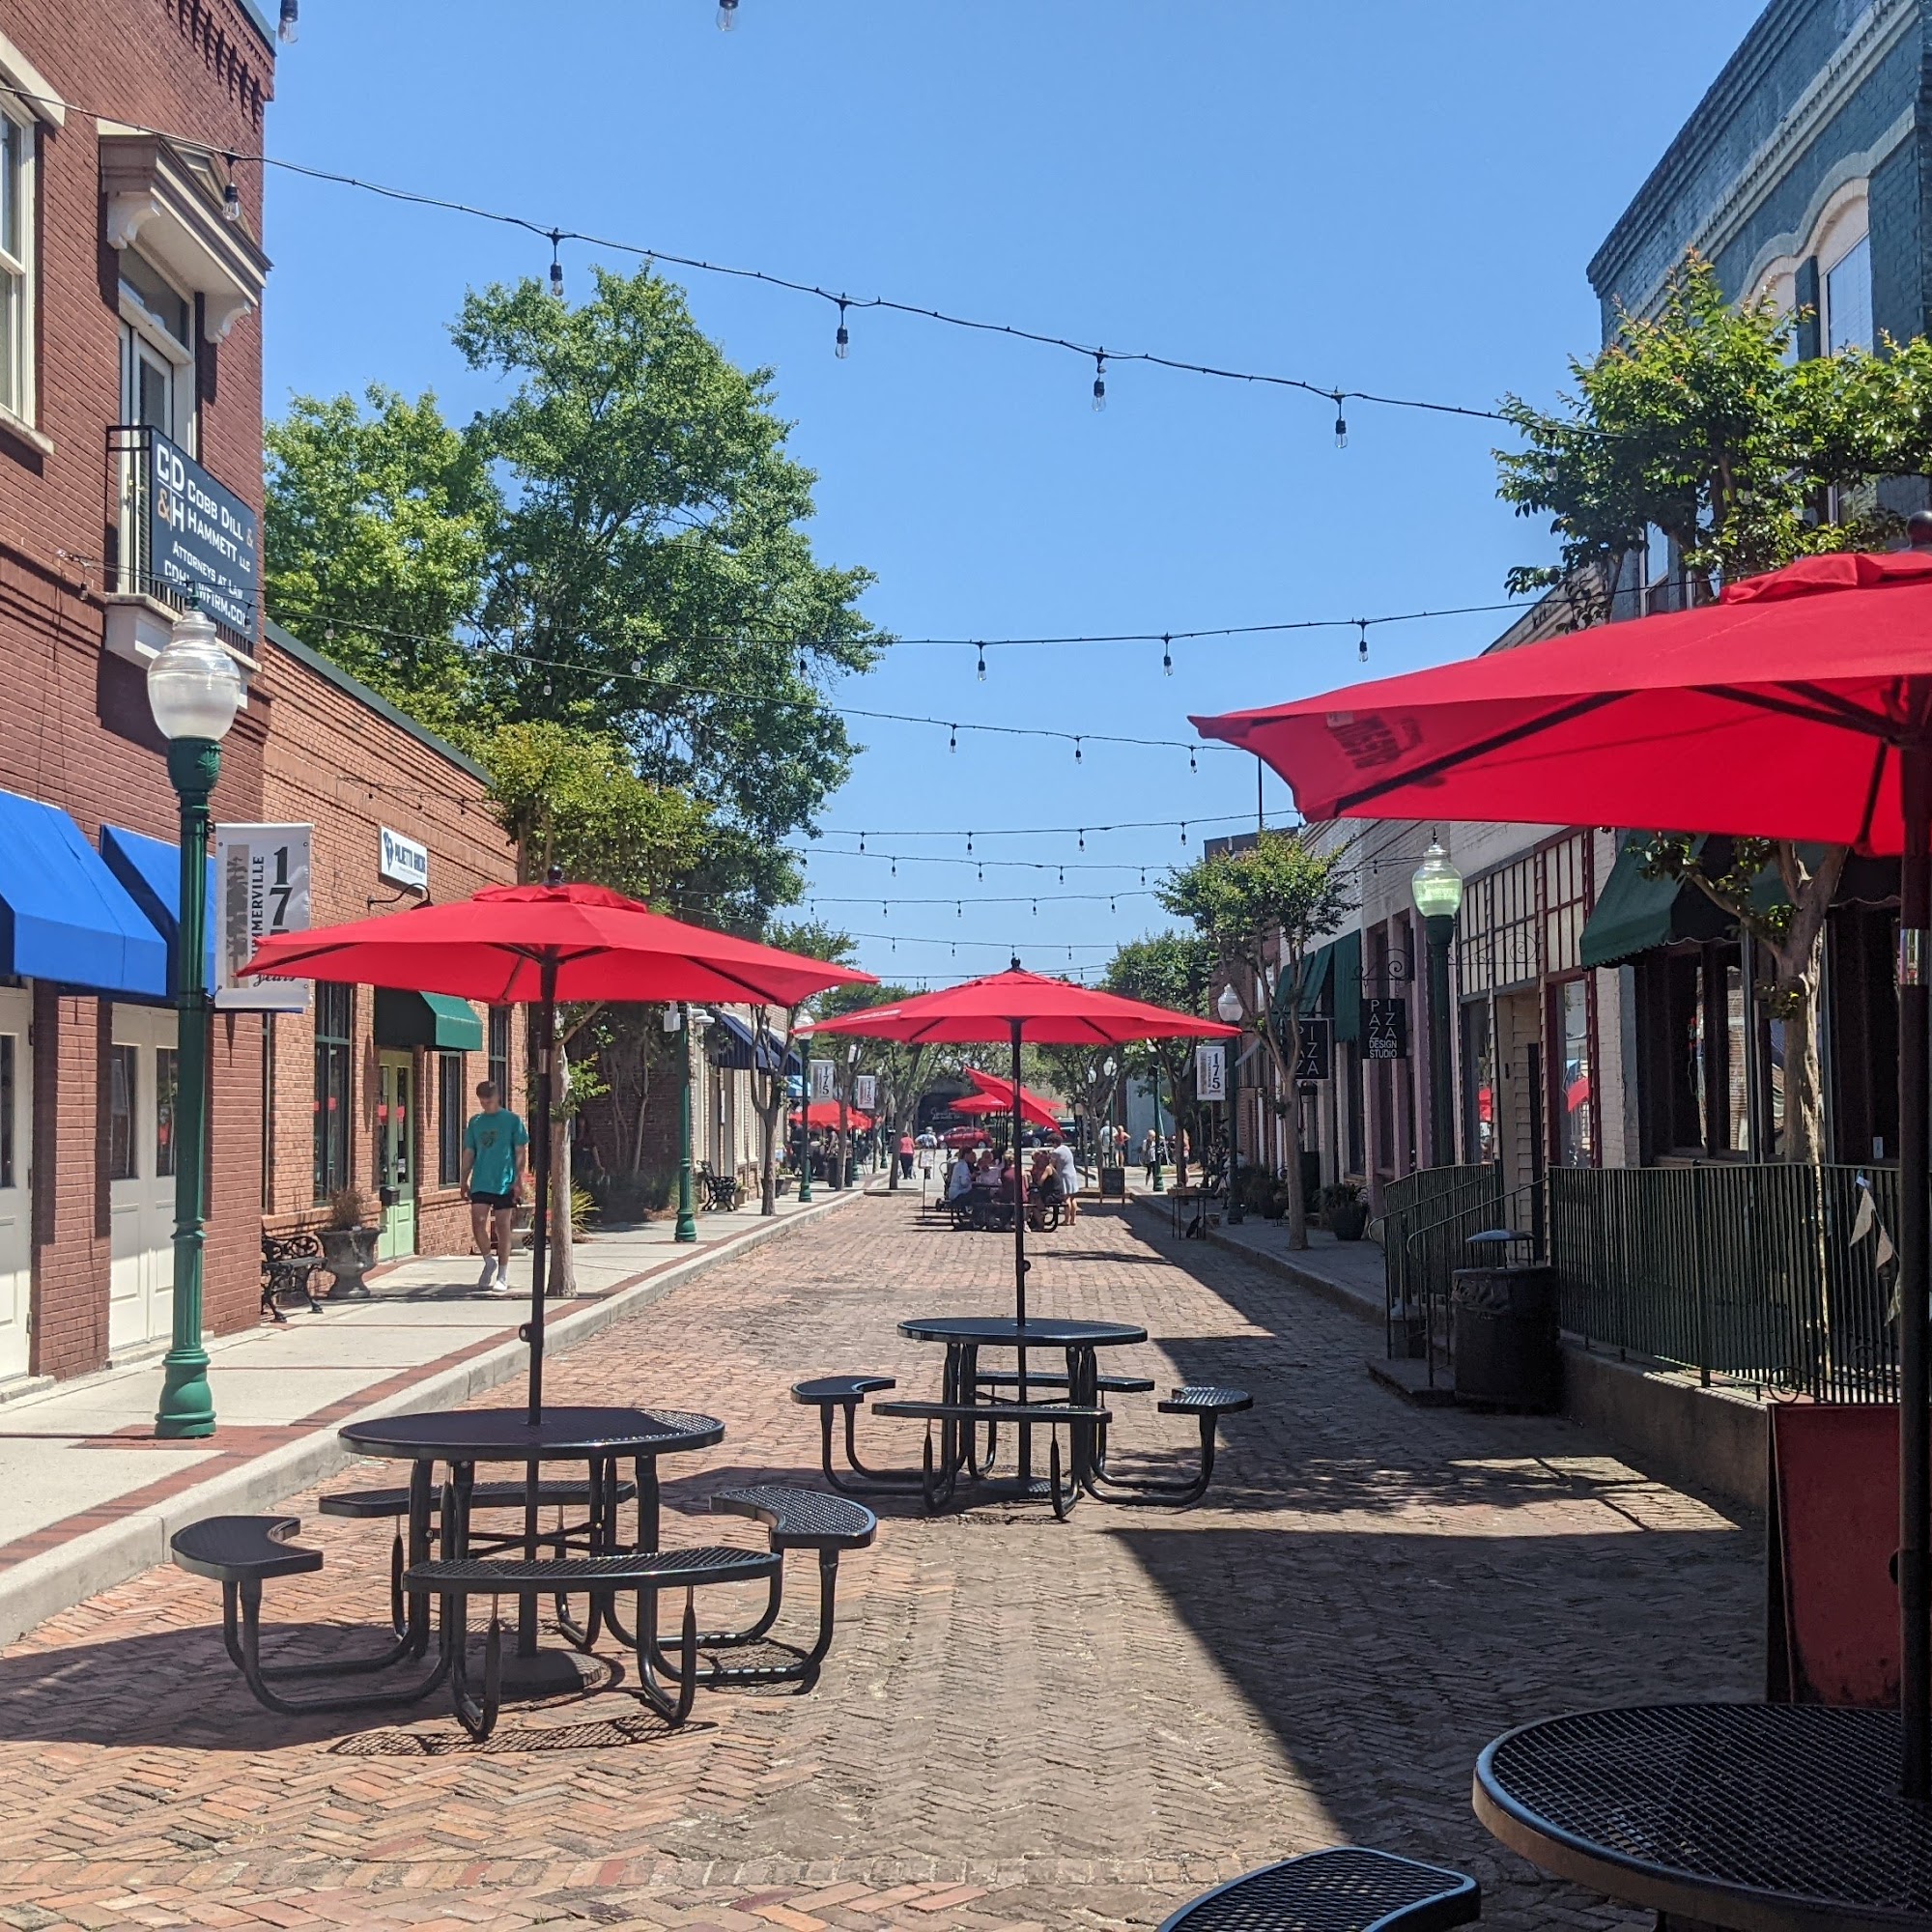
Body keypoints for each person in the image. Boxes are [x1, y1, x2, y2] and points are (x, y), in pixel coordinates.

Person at [462, 1079, 529, 1295]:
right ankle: (488, 1261)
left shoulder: (512, 1121)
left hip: (505, 1181)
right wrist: (463, 1179)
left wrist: (519, 1179)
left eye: (489, 1100)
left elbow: (520, 1151)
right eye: (482, 1101)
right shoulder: (476, 1122)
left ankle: (502, 1273)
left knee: (502, 1227)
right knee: (478, 1222)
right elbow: (469, 1152)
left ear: (497, 1097)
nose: (485, 1105)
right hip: (482, 1179)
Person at [1047, 1129, 1081, 1223]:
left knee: (1065, 1198)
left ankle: (1066, 1220)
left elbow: (1051, 1165)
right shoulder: (1066, 1148)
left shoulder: (1056, 1152)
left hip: (1063, 1175)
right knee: (1073, 1197)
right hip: (1072, 1173)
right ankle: (1073, 1220)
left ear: (1054, 1142)